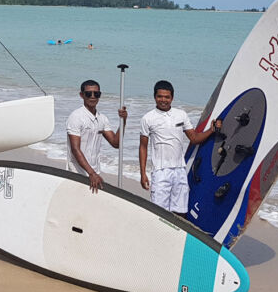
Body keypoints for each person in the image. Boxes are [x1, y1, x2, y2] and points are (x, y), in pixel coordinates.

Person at [138, 80, 212, 214]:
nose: (163, 100)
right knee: (159, 212)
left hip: (180, 170)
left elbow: (194, 138)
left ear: (172, 98)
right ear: (155, 97)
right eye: (160, 96)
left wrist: (211, 130)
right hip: (160, 171)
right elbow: (143, 147)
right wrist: (143, 173)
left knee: (181, 211)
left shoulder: (181, 115)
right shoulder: (147, 118)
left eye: (167, 97)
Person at [66, 80, 127, 192]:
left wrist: (123, 121)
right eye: (89, 94)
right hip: (78, 173)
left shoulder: (102, 119)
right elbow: (75, 149)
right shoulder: (76, 117)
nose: (93, 97)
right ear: (82, 95)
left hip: (95, 172)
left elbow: (116, 143)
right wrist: (91, 173)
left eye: (96, 94)